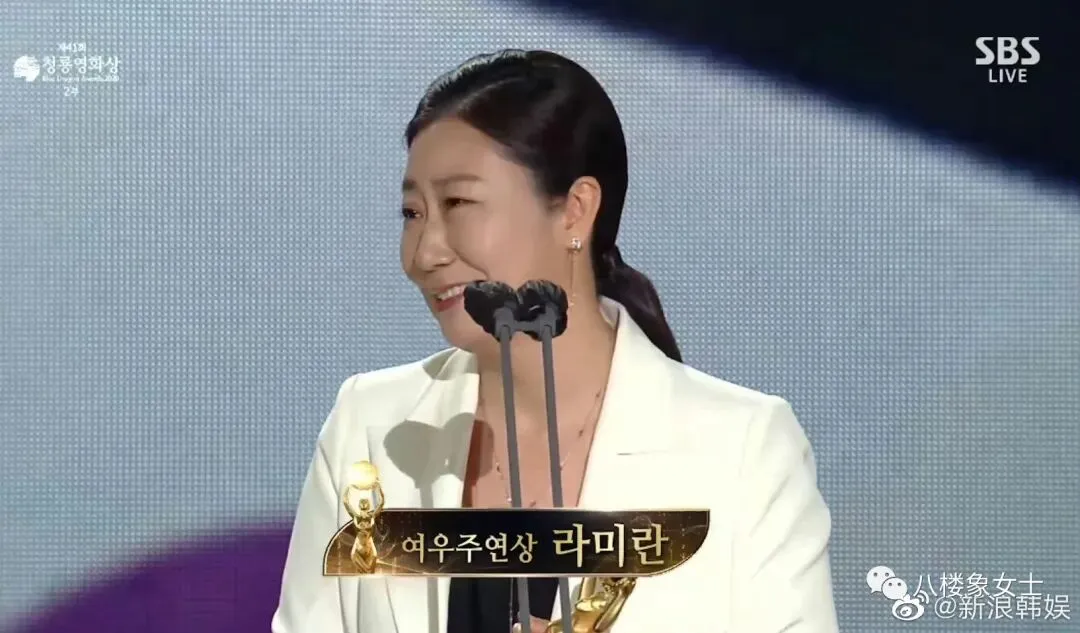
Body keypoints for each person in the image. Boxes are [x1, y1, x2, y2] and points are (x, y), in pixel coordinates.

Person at [271, 49, 839, 633]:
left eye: (458, 203)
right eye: (412, 213)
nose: (424, 254)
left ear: (575, 210)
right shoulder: (370, 424)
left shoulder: (742, 448)